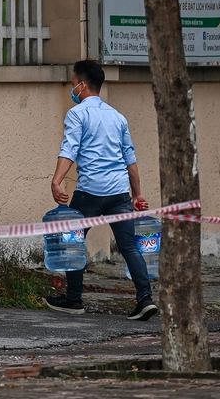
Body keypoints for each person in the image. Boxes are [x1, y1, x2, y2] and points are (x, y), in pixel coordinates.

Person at [45, 60, 158, 322]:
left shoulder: (77, 114)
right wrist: (137, 194)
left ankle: (74, 299)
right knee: (129, 246)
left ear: (82, 85)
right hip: (119, 192)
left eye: (74, 84)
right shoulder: (118, 117)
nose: (72, 89)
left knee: (73, 241)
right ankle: (145, 299)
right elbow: (130, 159)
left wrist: (56, 181)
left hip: (91, 191)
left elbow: (69, 149)